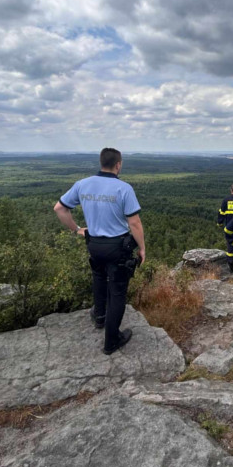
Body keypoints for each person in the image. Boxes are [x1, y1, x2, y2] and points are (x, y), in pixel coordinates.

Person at [54, 148, 146, 355]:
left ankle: (100, 317)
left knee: (98, 278)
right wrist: (142, 248)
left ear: (101, 162)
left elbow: (59, 208)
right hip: (118, 247)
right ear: (118, 164)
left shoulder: (82, 184)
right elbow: (134, 222)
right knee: (117, 292)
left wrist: (77, 229)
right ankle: (111, 340)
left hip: (94, 243)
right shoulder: (124, 188)